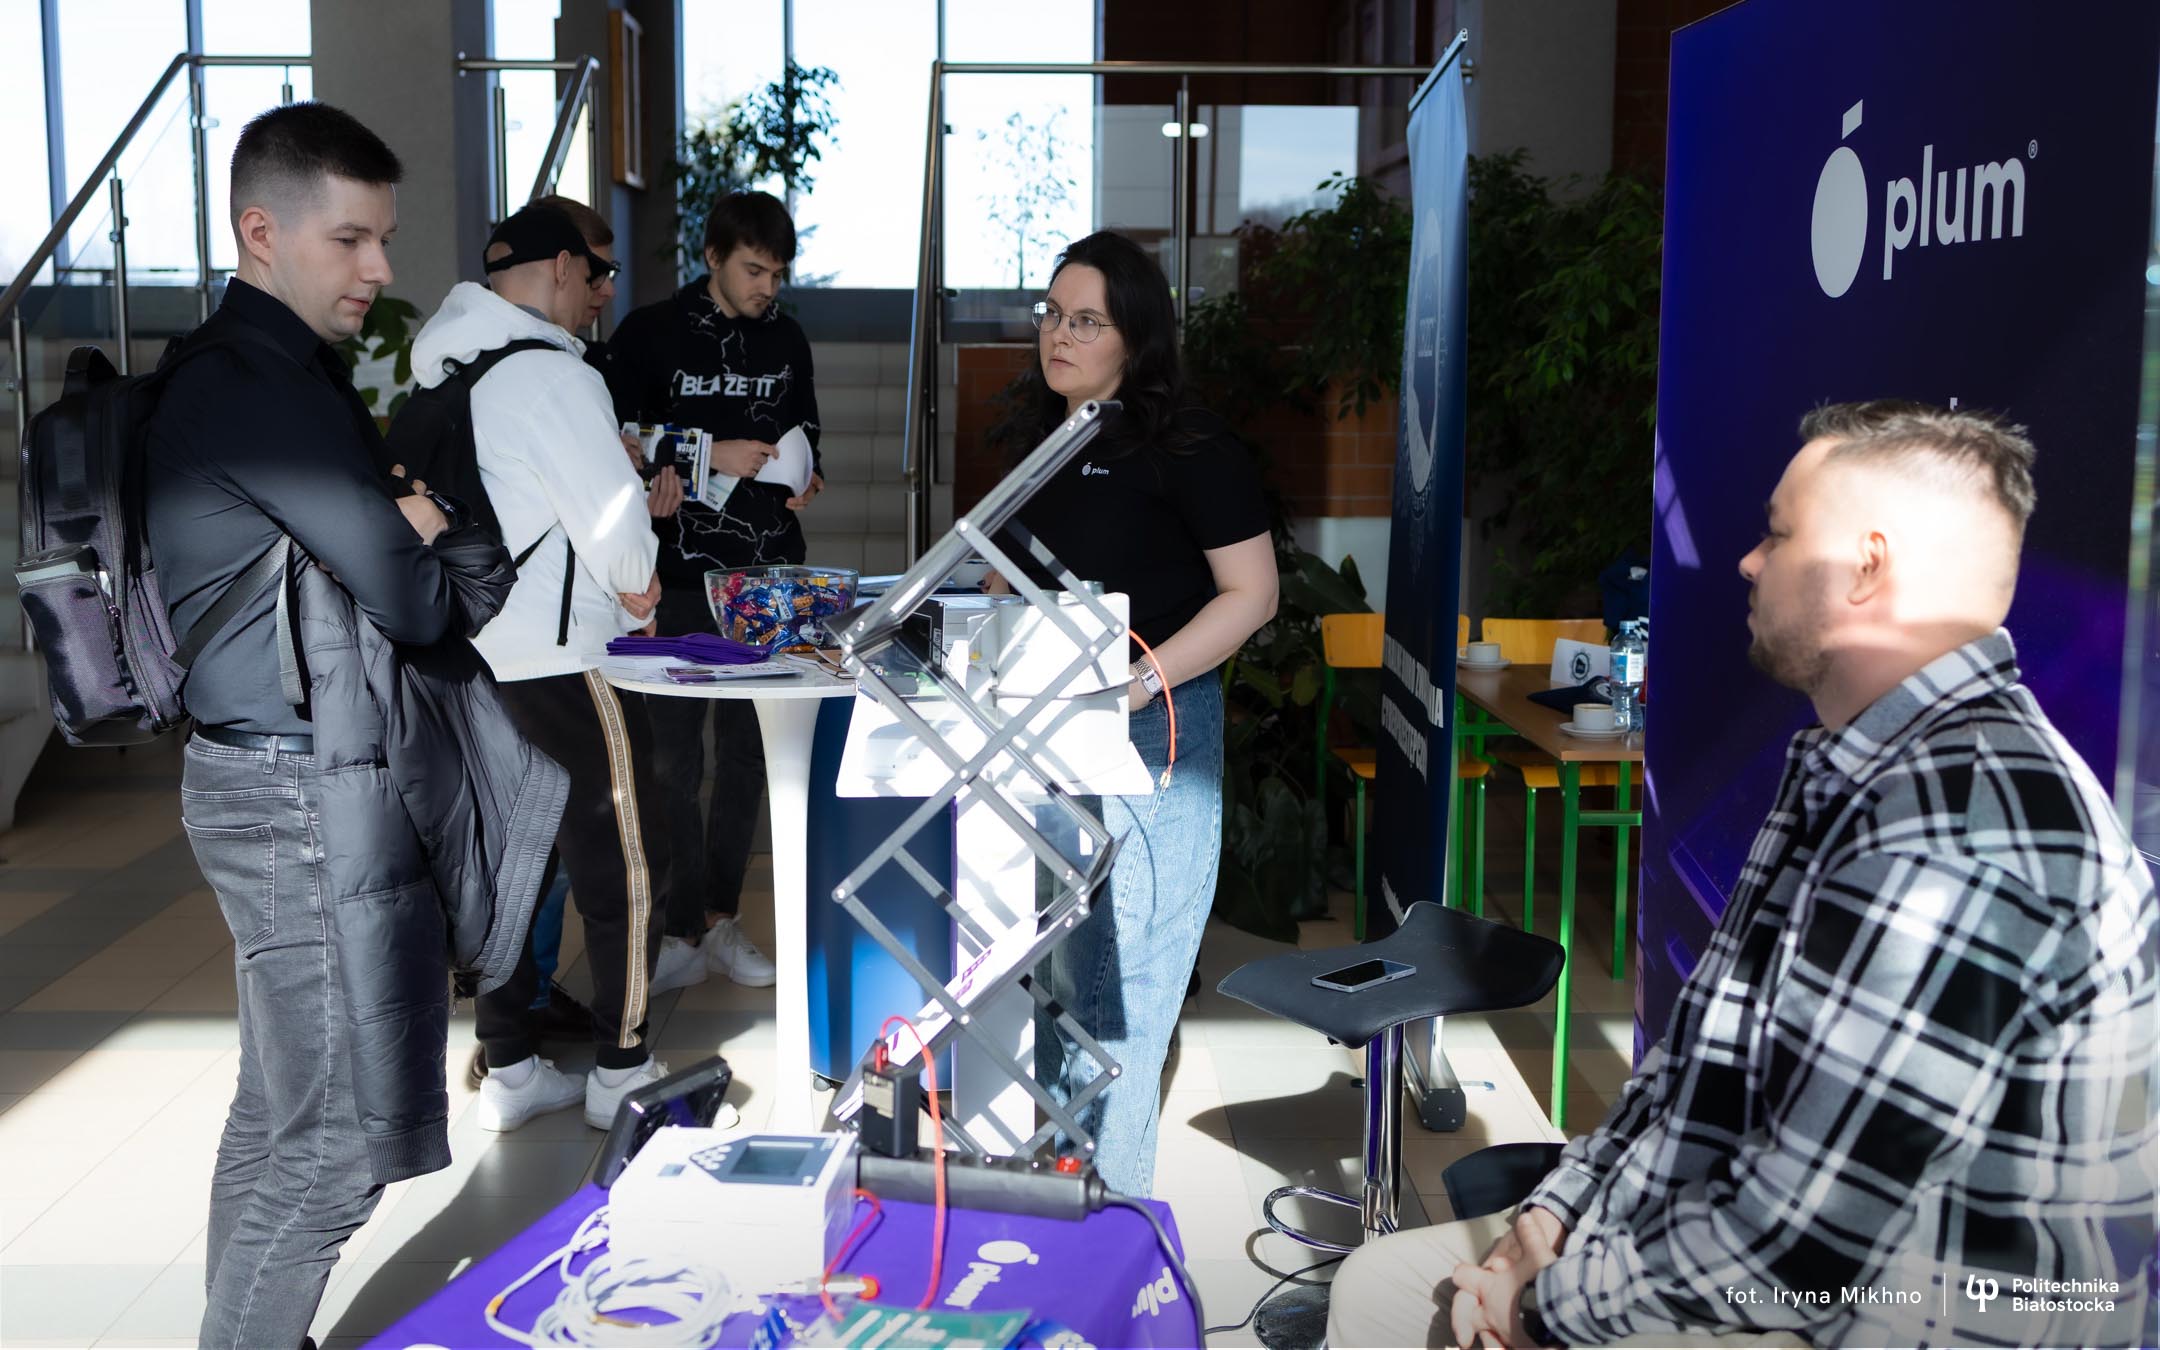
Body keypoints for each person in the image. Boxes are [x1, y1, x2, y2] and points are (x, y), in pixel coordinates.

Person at [1328, 402, 2158, 1349]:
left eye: (1779, 534)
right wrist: (1550, 1221)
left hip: (1898, 1321)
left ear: (1868, 568)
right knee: (1385, 1289)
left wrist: (1544, 1308)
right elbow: (1693, 1074)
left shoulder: (1956, 826)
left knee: (1413, 1309)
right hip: (1767, 1267)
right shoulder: (1855, 771)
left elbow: (1800, 1250)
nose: (1749, 563)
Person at [144, 102, 460, 1349]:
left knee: (276, 1118)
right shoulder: (257, 388)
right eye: (351, 240)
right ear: (261, 232)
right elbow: (413, 597)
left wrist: (394, 527)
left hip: (265, 775)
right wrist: (413, 527)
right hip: (293, 794)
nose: (378, 269)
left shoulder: (253, 369)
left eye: (383, 239)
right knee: (331, 1152)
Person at [992, 230, 1278, 1198]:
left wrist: (1140, 682)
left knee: (1127, 990)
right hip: (1043, 727)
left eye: (1087, 321)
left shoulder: (1192, 445)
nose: (1058, 335)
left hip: (1154, 731)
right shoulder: (1047, 438)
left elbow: (1253, 594)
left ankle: (1111, 1217)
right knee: (1064, 977)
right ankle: (1062, 1185)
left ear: (1136, 336)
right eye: (1052, 315)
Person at [408, 202, 680, 1134]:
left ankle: (513, 1069)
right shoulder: (554, 376)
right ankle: (622, 1072)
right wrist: (640, 589)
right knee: (623, 859)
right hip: (565, 659)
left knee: (502, 862)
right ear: (563, 266)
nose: (604, 292)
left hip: (468, 656)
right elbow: (614, 528)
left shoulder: (448, 371)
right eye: (598, 273)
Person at [598, 189, 823, 992]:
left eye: (778, 273)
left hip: (767, 572)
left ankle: (720, 917)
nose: (768, 287)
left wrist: (808, 477)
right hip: (677, 571)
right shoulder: (649, 334)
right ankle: (678, 923)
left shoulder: (787, 338)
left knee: (746, 753)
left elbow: (806, 431)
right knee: (670, 759)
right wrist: (708, 453)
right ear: (712, 257)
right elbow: (612, 440)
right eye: (753, 270)